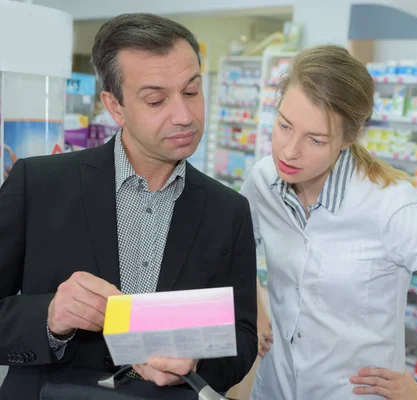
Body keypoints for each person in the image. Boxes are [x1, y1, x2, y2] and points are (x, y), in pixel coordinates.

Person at [241, 45, 417, 400]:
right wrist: (258, 306)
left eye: (315, 139)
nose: (288, 151)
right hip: (275, 389)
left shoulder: (391, 206)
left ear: (353, 134)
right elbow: (235, 249)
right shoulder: (263, 181)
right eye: (284, 125)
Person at [0, 13, 257, 399]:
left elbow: (242, 337)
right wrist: (50, 318)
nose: (185, 116)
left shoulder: (228, 210)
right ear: (114, 106)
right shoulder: (37, 184)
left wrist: (196, 363)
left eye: (191, 92)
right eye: (156, 99)